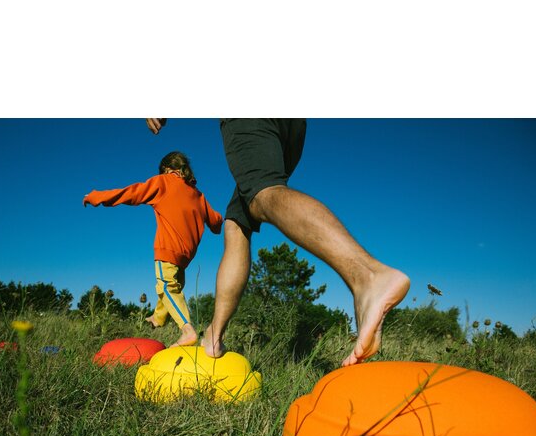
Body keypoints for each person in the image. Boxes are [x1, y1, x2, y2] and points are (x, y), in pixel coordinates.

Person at [146, 119, 410, 365]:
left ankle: (368, 276)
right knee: (237, 223)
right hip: (293, 127)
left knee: (263, 193)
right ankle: (213, 337)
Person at [84, 151, 223, 347]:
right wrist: (218, 223)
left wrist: (97, 197)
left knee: (166, 286)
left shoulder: (163, 181)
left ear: (167, 169)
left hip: (168, 248)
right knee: (173, 285)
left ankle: (187, 330)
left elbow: (133, 192)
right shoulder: (198, 195)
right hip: (186, 255)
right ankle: (158, 318)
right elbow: (216, 221)